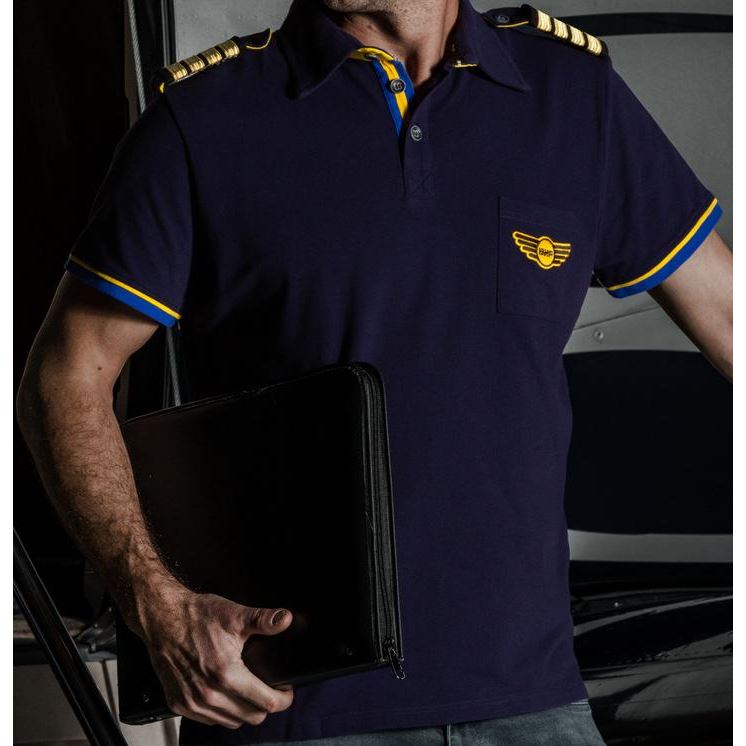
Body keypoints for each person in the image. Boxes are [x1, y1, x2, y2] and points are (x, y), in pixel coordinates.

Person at [17, 0, 732, 744]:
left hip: (533, 700)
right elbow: (64, 379)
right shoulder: (207, 116)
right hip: (292, 709)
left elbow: (729, 319)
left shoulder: (572, 94)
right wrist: (156, 604)